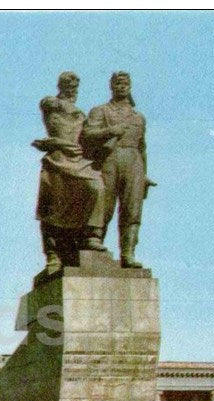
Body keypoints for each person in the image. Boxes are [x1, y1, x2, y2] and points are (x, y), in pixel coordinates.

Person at [32, 71, 107, 275]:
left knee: (97, 187)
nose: (73, 89)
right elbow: (48, 106)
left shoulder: (82, 114)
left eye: (75, 86)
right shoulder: (51, 103)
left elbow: (90, 137)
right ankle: (53, 254)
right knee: (53, 206)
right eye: (69, 85)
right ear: (61, 86)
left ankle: (91, 236)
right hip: (58, 158)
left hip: (78, 159)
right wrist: (56, 142)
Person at [82, 71, 155, 268]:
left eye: (126, 84)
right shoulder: (101, 111)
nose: (122, 87)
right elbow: (86, 135)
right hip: (109, 159)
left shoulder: (139, 117)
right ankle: (95, 243)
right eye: (118, 83)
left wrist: (144, 174)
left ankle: (128, 253)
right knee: (104, 204)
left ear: (130, 87)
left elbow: (143, 147)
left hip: (134, 162)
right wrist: (110, 131)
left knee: (132, 210)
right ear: (111, 86)